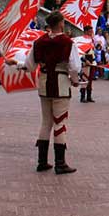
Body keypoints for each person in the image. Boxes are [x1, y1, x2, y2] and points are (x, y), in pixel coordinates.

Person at [18, 11, 80, 174]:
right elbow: (74, 67)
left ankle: (42, 161)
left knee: (46, 122)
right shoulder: (67, 42)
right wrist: (75, 80)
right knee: (60, 122)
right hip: (60, 82)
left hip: (44, 82)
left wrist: (18, 64)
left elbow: (29, 65)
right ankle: (60, 163)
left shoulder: (39, 42)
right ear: (61, 23)